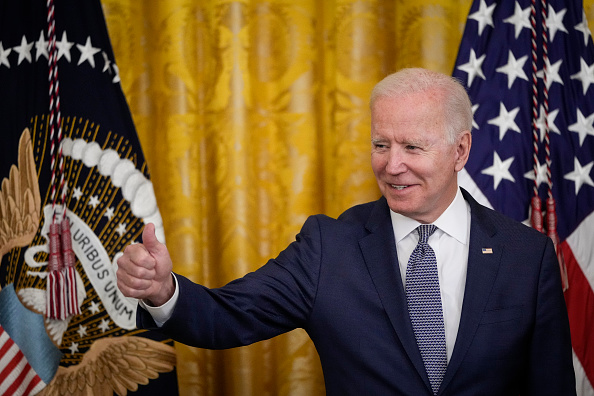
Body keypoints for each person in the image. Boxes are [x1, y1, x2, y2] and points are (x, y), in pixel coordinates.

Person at [116, 68, 576, 395]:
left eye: (412, 146)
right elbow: (227, 316)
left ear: (461, 150)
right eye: (381, 144)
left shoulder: (526, 256)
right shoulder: (327, 247)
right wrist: (163, 291)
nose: (392, 165)